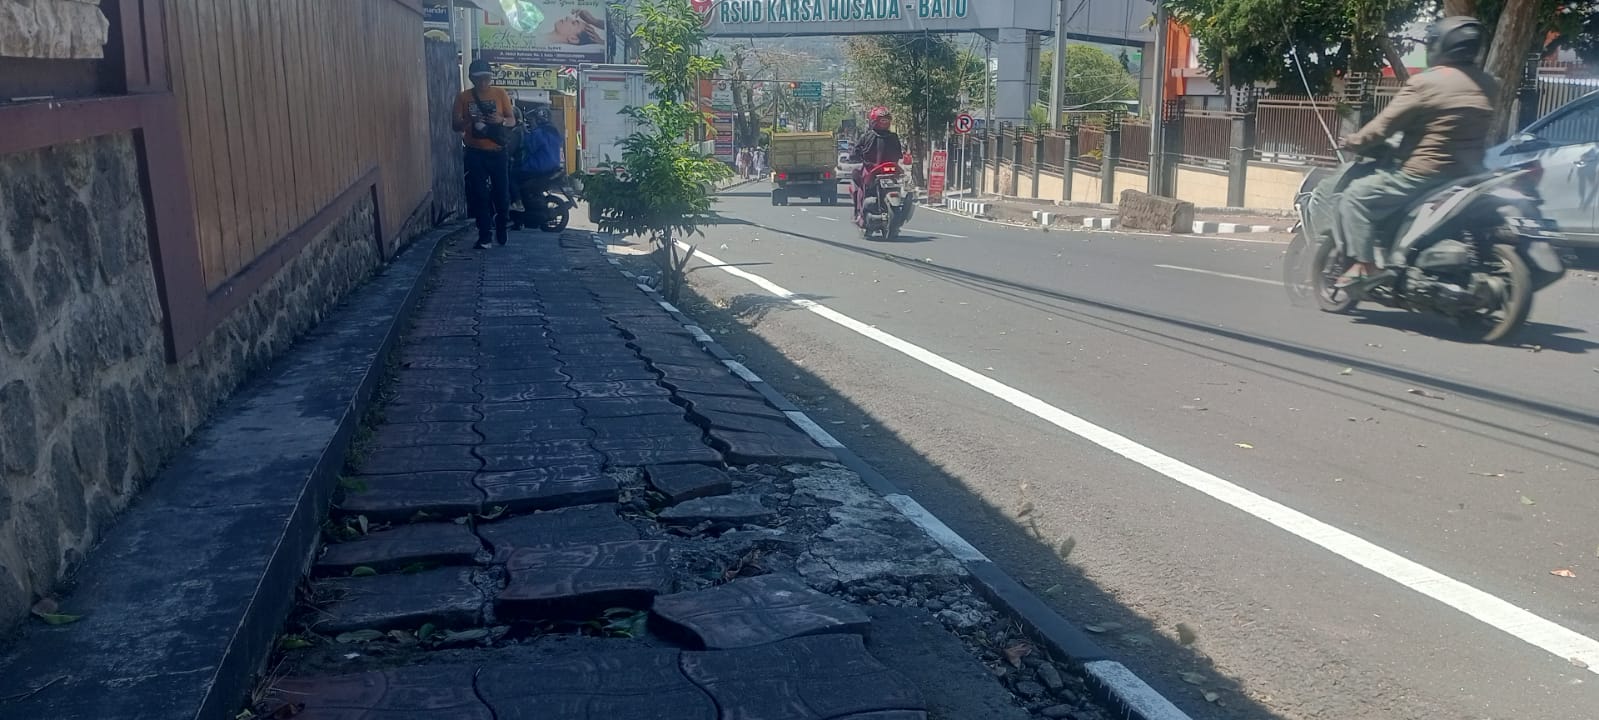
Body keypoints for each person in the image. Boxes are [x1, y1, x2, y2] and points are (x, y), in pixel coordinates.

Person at [1336, 16, 1496, 288]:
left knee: (1355, 197)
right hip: (1469, 176)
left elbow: (1383, 126)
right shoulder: (1489, 84)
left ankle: (1365, 266)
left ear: (1438, 45)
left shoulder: (1426, 83)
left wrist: (1354, 141)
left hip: (1422, 175)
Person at [453, 58, 517, 249]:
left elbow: (512, 120)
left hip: (498, 151)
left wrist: (500, 120)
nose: (483, 82)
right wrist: (469, 120)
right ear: (472, 78)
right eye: (479, 78)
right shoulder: (463, 97)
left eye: (486, 78)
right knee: (479, 195)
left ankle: (501, 222)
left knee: (502, 194)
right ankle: (484, 236)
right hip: (475, 152)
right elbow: (455, 125)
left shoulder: (499, 93)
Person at [513, 104, 566, 229]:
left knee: (512, 176)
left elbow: (530, 147)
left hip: (538, 167)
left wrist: (525, 133)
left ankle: (517, 202)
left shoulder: (538, 133)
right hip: (552, 166)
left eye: (533, 120)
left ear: (538, 119)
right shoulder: (554, 131)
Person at [850, 106, 904, 223]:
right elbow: (900, 155)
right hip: (891, 169)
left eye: (885, 120)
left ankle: (858, 213)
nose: (884, 123)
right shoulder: (894, 137)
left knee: (859, 183)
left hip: (872, 169)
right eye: (882, 120)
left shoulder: (867, 136)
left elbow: (855, 153)